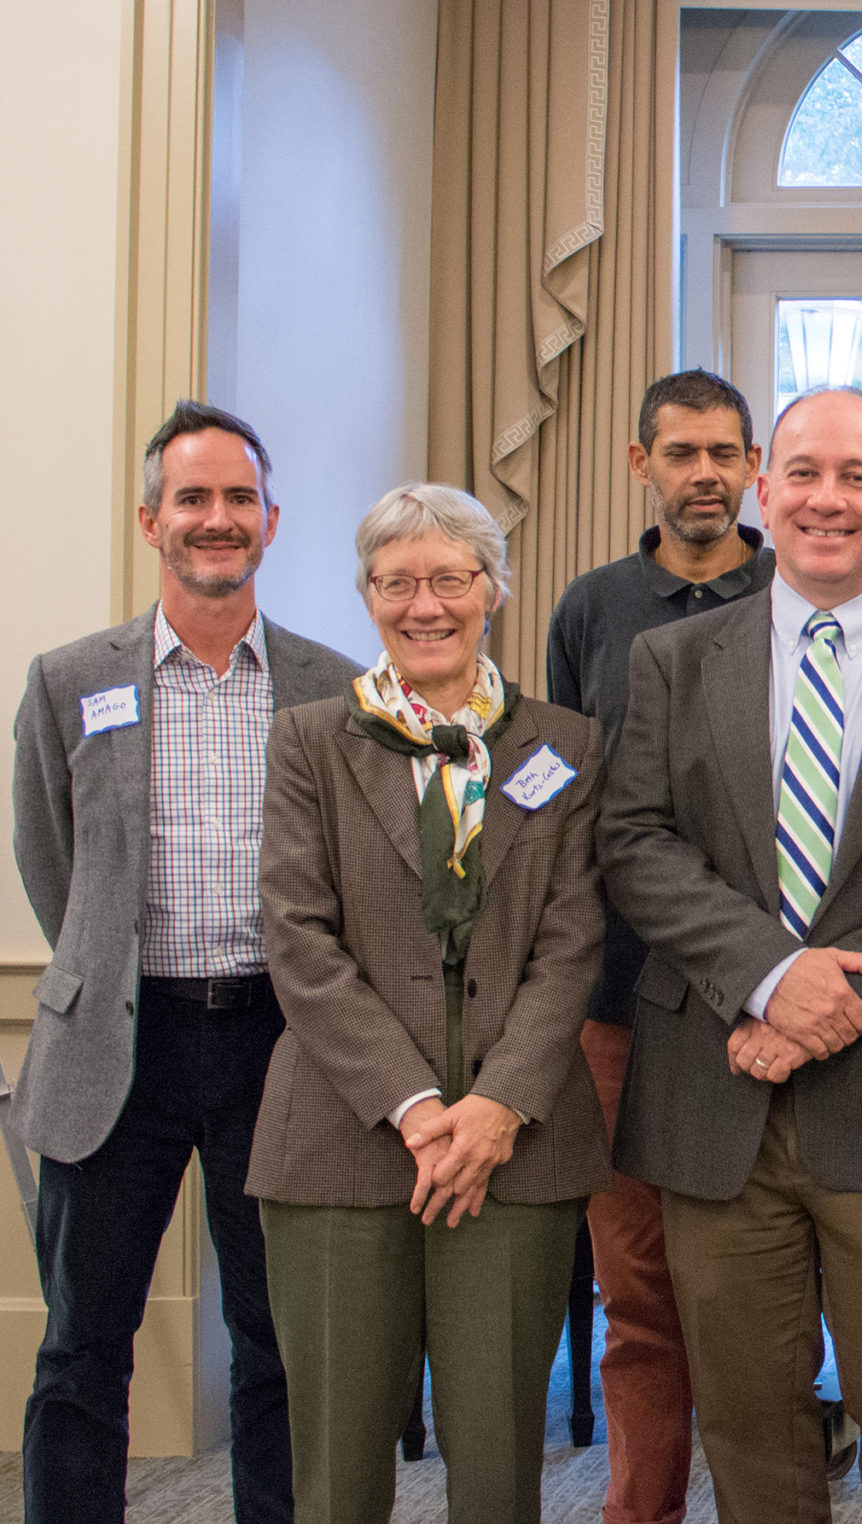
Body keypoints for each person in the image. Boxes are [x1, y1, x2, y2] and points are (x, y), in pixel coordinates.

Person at [599, 385, 862, 1524]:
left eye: (856, 478)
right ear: (763, 490)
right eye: (803, 473)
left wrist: (838, 996)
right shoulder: (671, 660)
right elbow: (632, 843)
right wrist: (775, 978)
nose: (826, 500)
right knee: (746, 1423)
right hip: (715, 1094)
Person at [10, 401, 358, 1524]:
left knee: (278, 1346)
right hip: (121, 1043)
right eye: (194, 499)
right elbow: (51, 854)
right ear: (151, 518)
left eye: (239, 499)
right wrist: (110, 963)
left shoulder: (334, 686)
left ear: (271, 519)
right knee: (81, 1348)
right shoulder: (71, 679)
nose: (218, 519)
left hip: (280, 1045)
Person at [253, 482, 608, 1521]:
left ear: (493, 588)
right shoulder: (309, 741)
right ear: (366, 595)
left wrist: (496, 1106)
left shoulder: (565, 746)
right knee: (336, 1464)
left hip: (520, 1144)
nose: (425, 605)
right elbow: (299, 940)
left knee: (499, 1463)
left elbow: (574, 940)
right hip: (337, 1140)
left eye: (450, 578)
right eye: (396, 582)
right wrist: (415, 1106)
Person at [544, 367, 776, 1524]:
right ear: (641, 464)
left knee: (759, 1297)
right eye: (680, 453)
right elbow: (560, 808)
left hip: (761, 1012)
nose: (703, 475)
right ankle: (641, 1508)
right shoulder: (591, 609)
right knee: (637, 1301)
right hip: (619, 1006)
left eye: (724, 453)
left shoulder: (800, 592)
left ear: (753, 470)